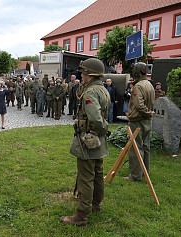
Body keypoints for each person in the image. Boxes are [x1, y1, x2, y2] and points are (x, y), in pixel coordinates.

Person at [61, 58, 110, 226]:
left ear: (90, 74)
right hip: (98, 140)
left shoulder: (90, 92)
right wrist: (103, 130)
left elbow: (95, 118)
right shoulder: (102, 89)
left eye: (83, 72)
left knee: (85, 177)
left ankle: (81, 215)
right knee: (97, 174)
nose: (81, 75)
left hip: (88, 139)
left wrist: (102, 128)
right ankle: (96, 204)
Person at [124, 62, 155, 182]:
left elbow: (138, 105)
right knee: (146, 147)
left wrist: (147, 112)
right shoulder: (149, 84)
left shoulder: (138, 86)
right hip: (147, 121)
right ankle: (145, 171)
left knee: (135, 148)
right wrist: (149, 114)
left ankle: (136, 175)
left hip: (138, 121)